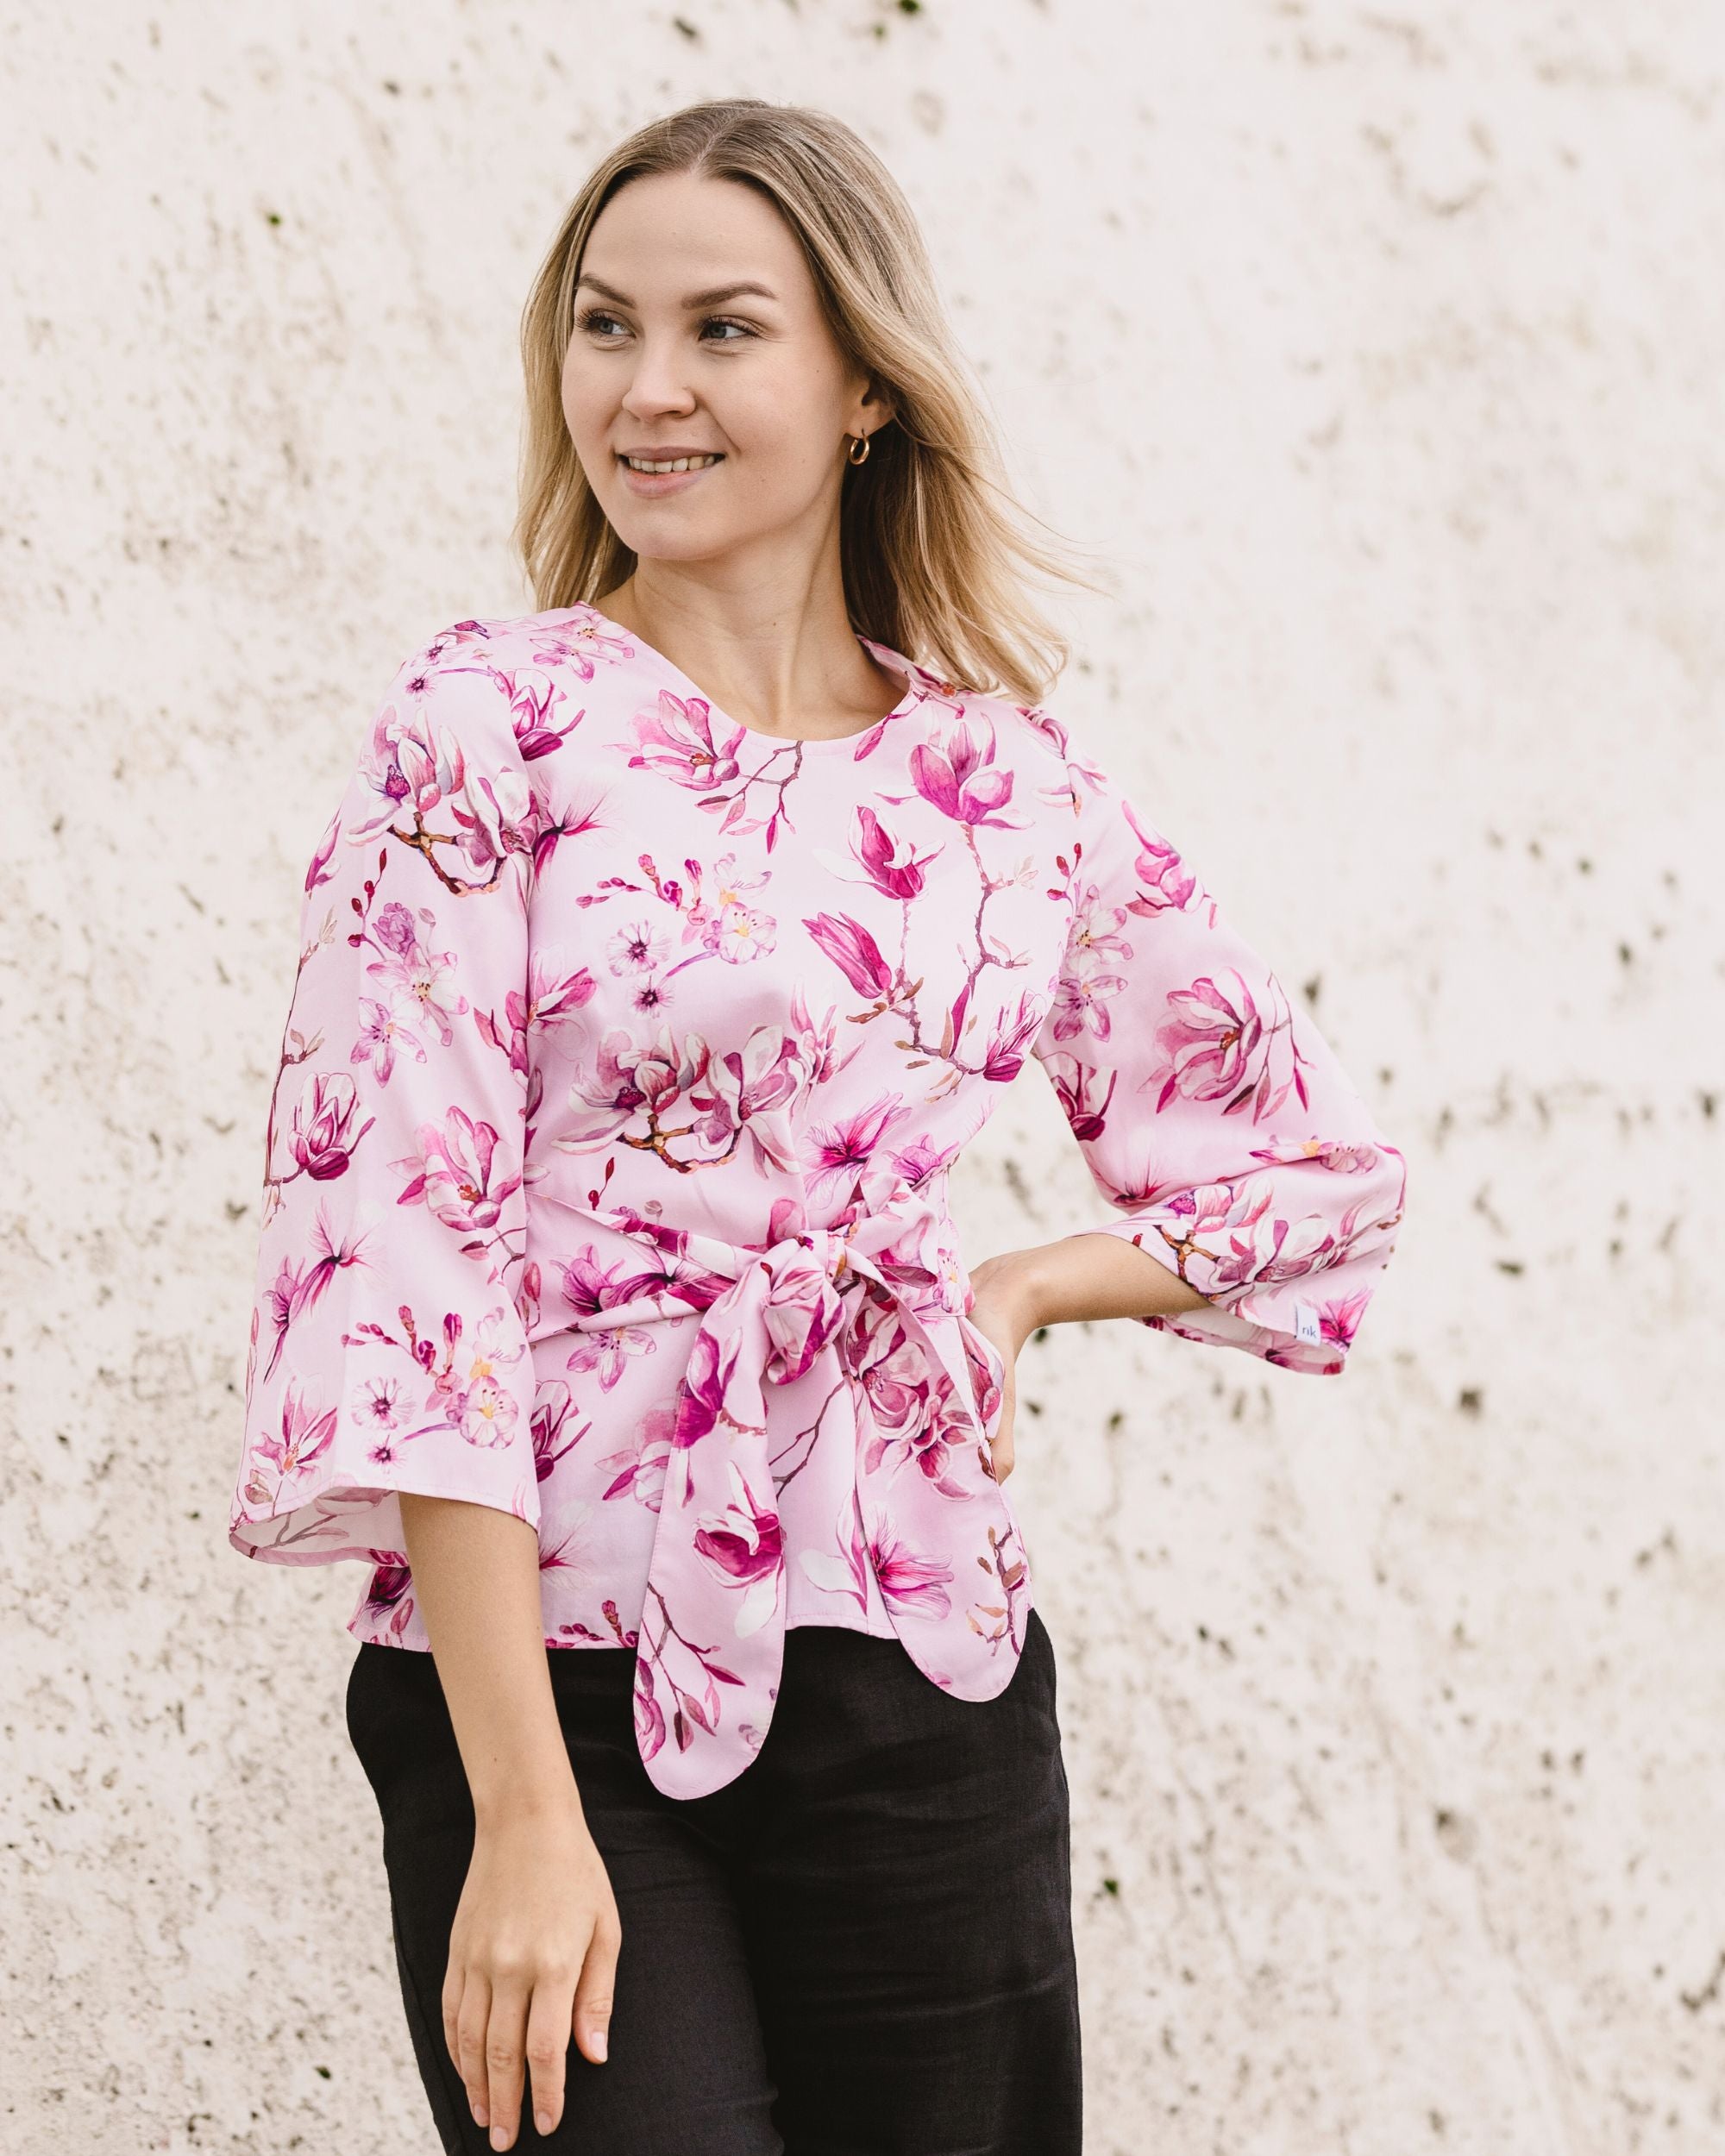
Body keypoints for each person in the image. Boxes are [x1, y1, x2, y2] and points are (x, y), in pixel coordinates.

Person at [229, 97, 1407, 2156]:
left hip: (921, 1666)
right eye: (604, 325)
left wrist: (1022, 1284)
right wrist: (520, 1810)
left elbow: (1303, 1172)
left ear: (866, 383)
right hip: (557, 1682)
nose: (646, 388)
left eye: (721, 329)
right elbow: (402, 1257)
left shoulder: (1004, 782)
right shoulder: (483, 723)